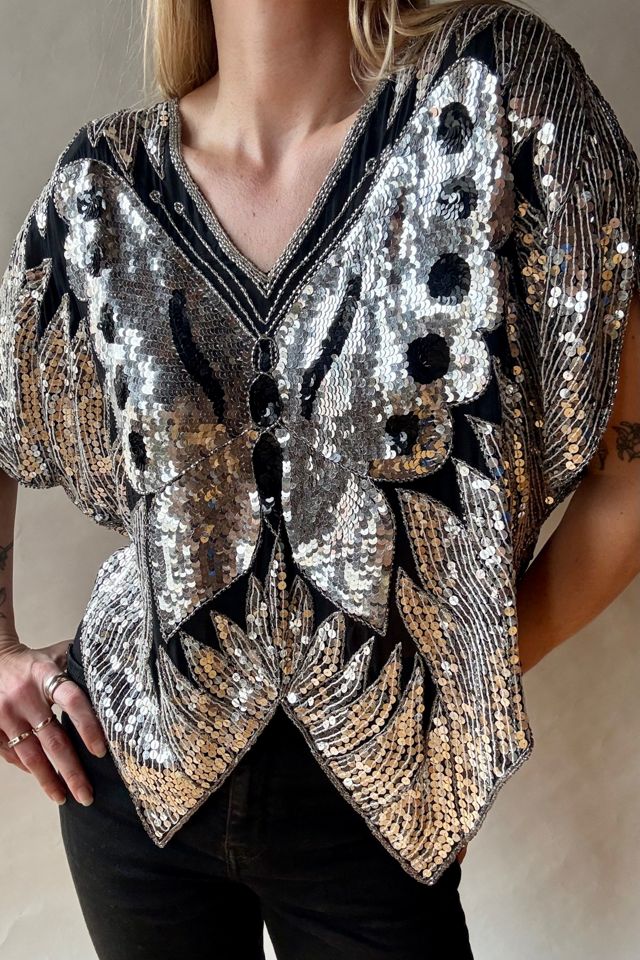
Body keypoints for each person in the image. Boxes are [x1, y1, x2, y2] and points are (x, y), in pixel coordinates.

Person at [1, 0, 639, 957]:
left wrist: (460, 677)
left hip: (379, 810)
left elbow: (630, 478)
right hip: (128, 786)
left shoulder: (497, 97)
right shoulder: (102, 187)